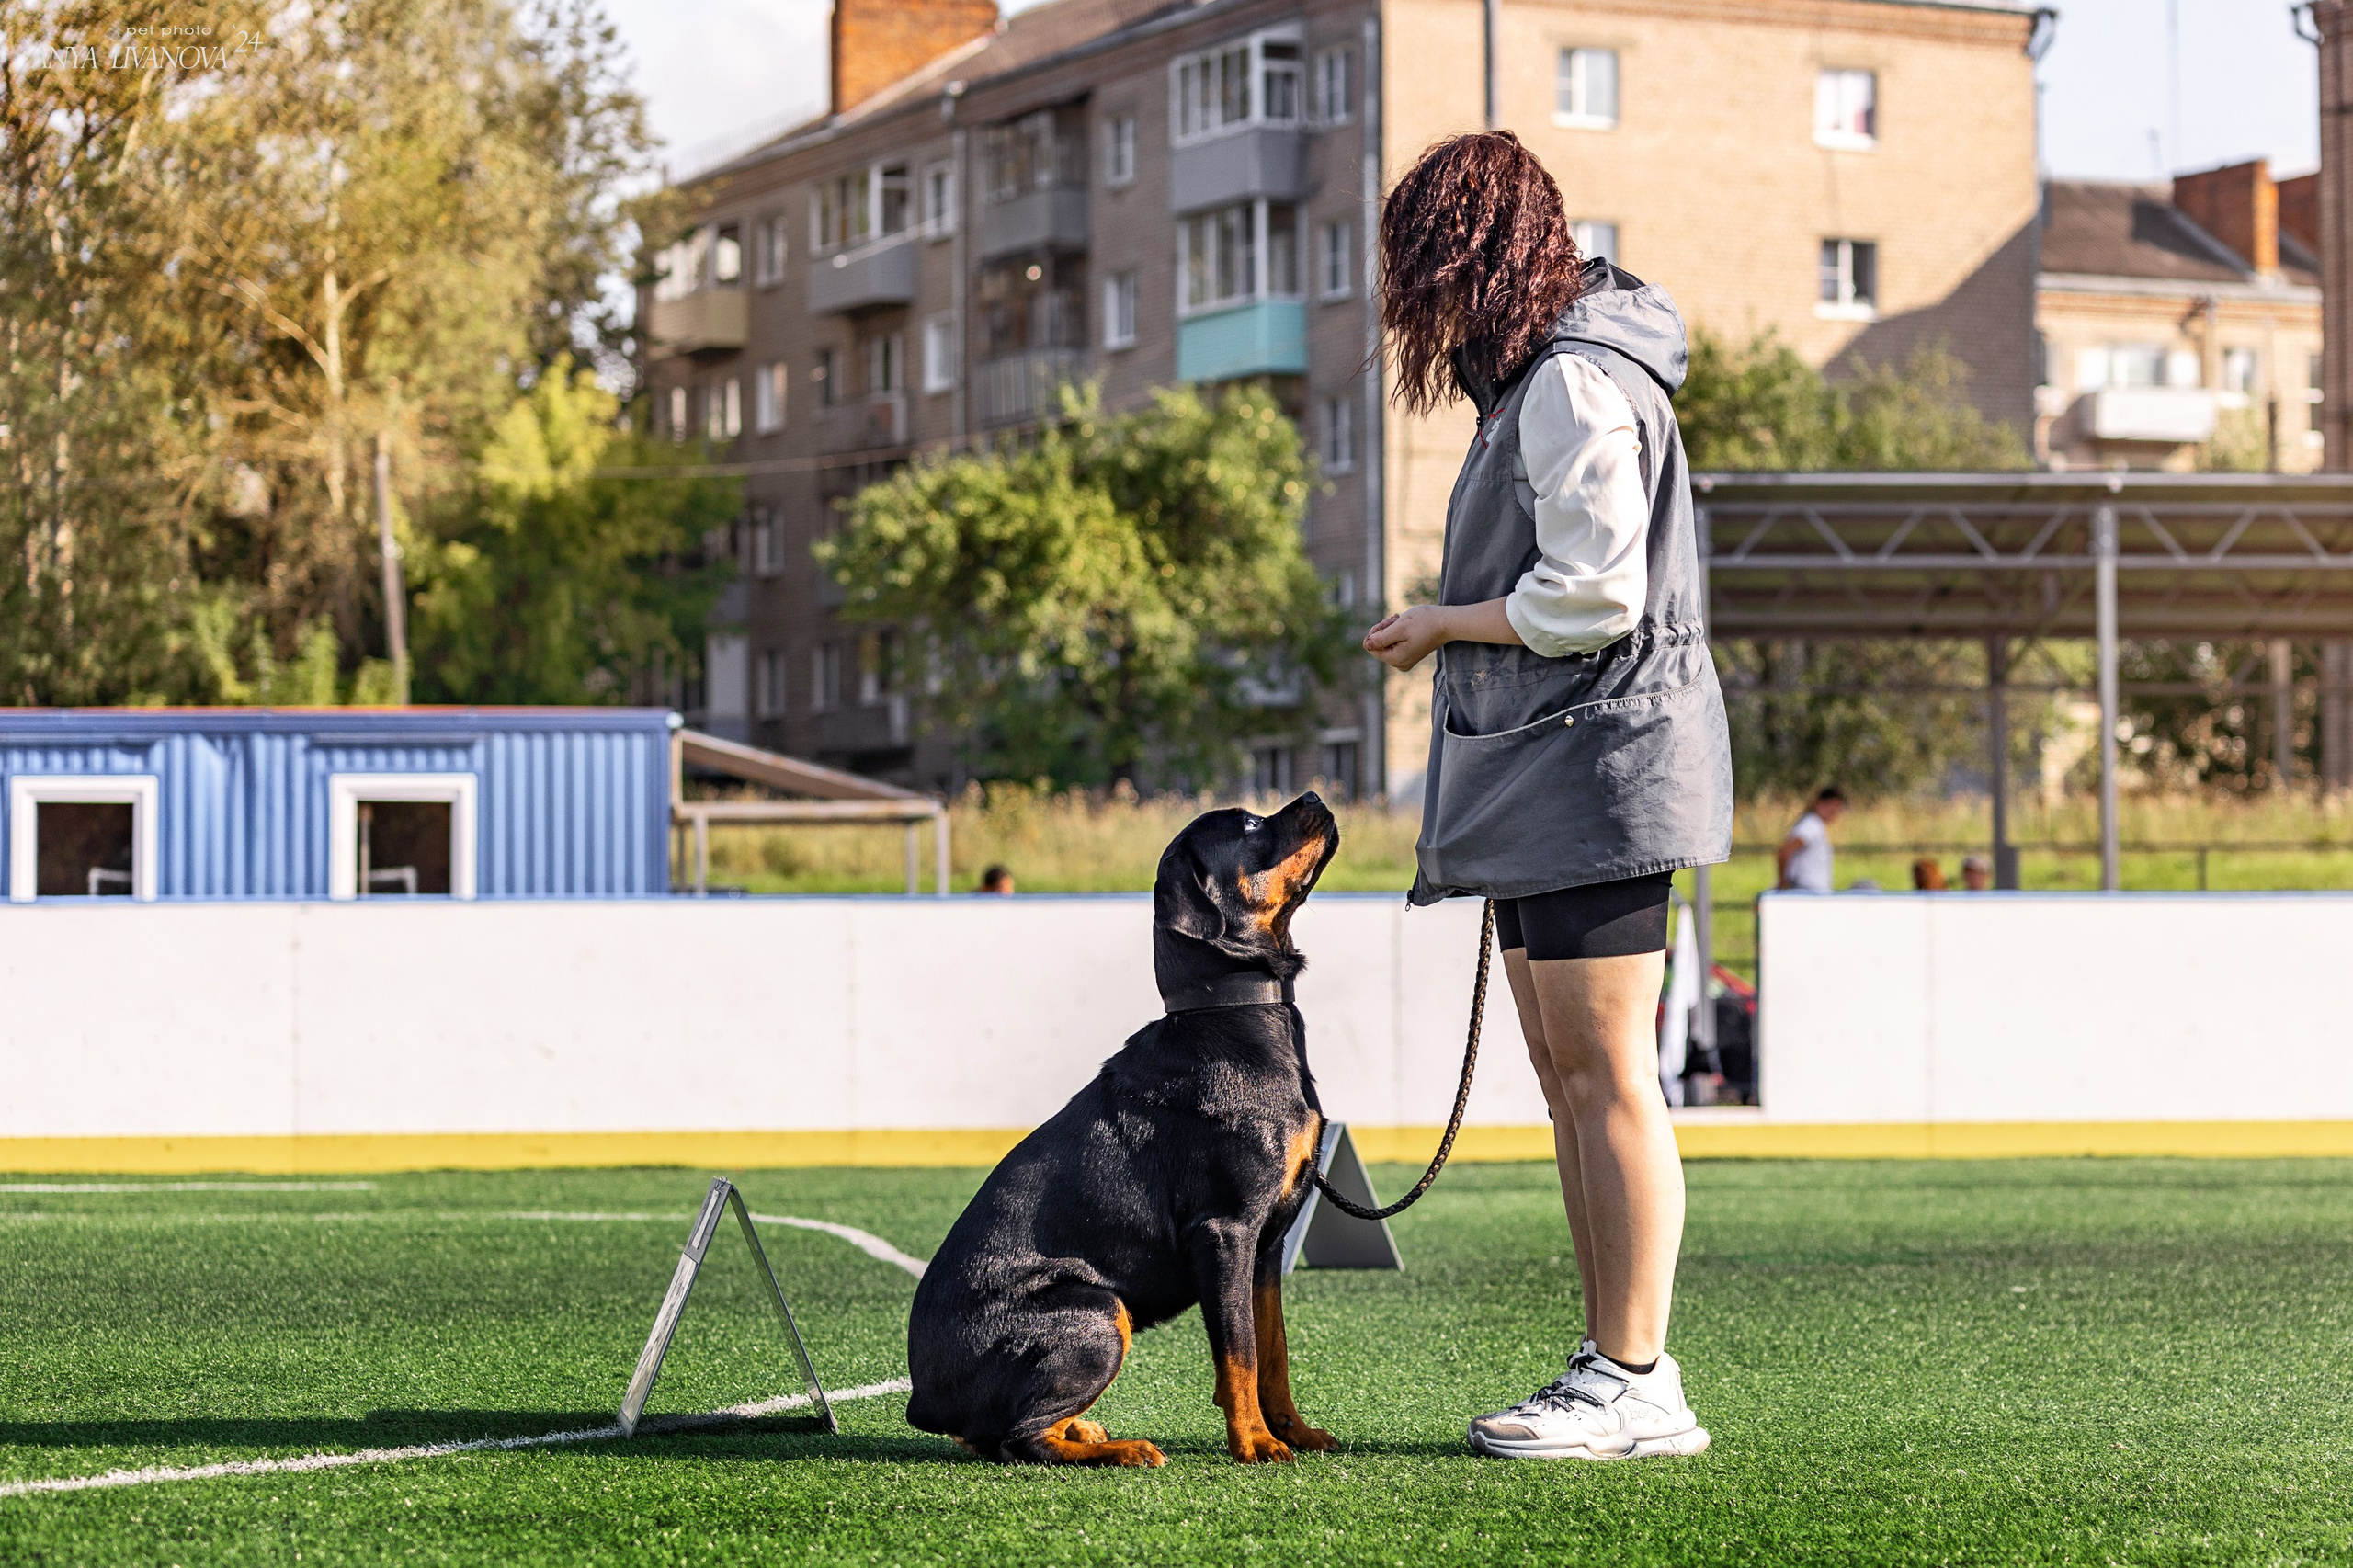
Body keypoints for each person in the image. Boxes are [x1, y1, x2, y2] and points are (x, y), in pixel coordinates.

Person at [1363, 131, 1731, 1462]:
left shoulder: (1576, 380)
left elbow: (1596, 595)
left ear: (1477, 256)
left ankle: (1638, 1376)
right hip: (1555, 765)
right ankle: (1610, 1365)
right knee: (1577, 1077)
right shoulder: (1544, 376)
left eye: (1428, 269)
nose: (1421, 304)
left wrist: (1442, 622)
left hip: (1598, 764)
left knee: (1609, 1076)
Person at [1776, 787, 1847, 892]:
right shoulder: (1811, 825)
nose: (1834, 815)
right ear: (1820, 804)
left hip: (1812, 892)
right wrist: (1782, 882)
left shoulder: (1814, 824)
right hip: (1808, 891)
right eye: (1832, 809)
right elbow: (1785, 851)